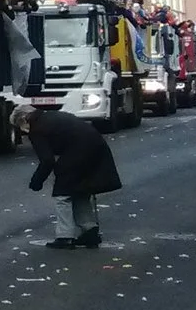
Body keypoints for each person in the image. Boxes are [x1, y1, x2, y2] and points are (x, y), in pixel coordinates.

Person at [15, 102, 121, 248]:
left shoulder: (37, 128)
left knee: (62, 195)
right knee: (80, 191)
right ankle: (90, 230)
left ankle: (65, 236)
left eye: (19, 125)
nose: (22, 130)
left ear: (23, 119)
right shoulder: (53, 115)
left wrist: (37, 181)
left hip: (76, 153)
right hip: (96, 147)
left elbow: (47, 160)